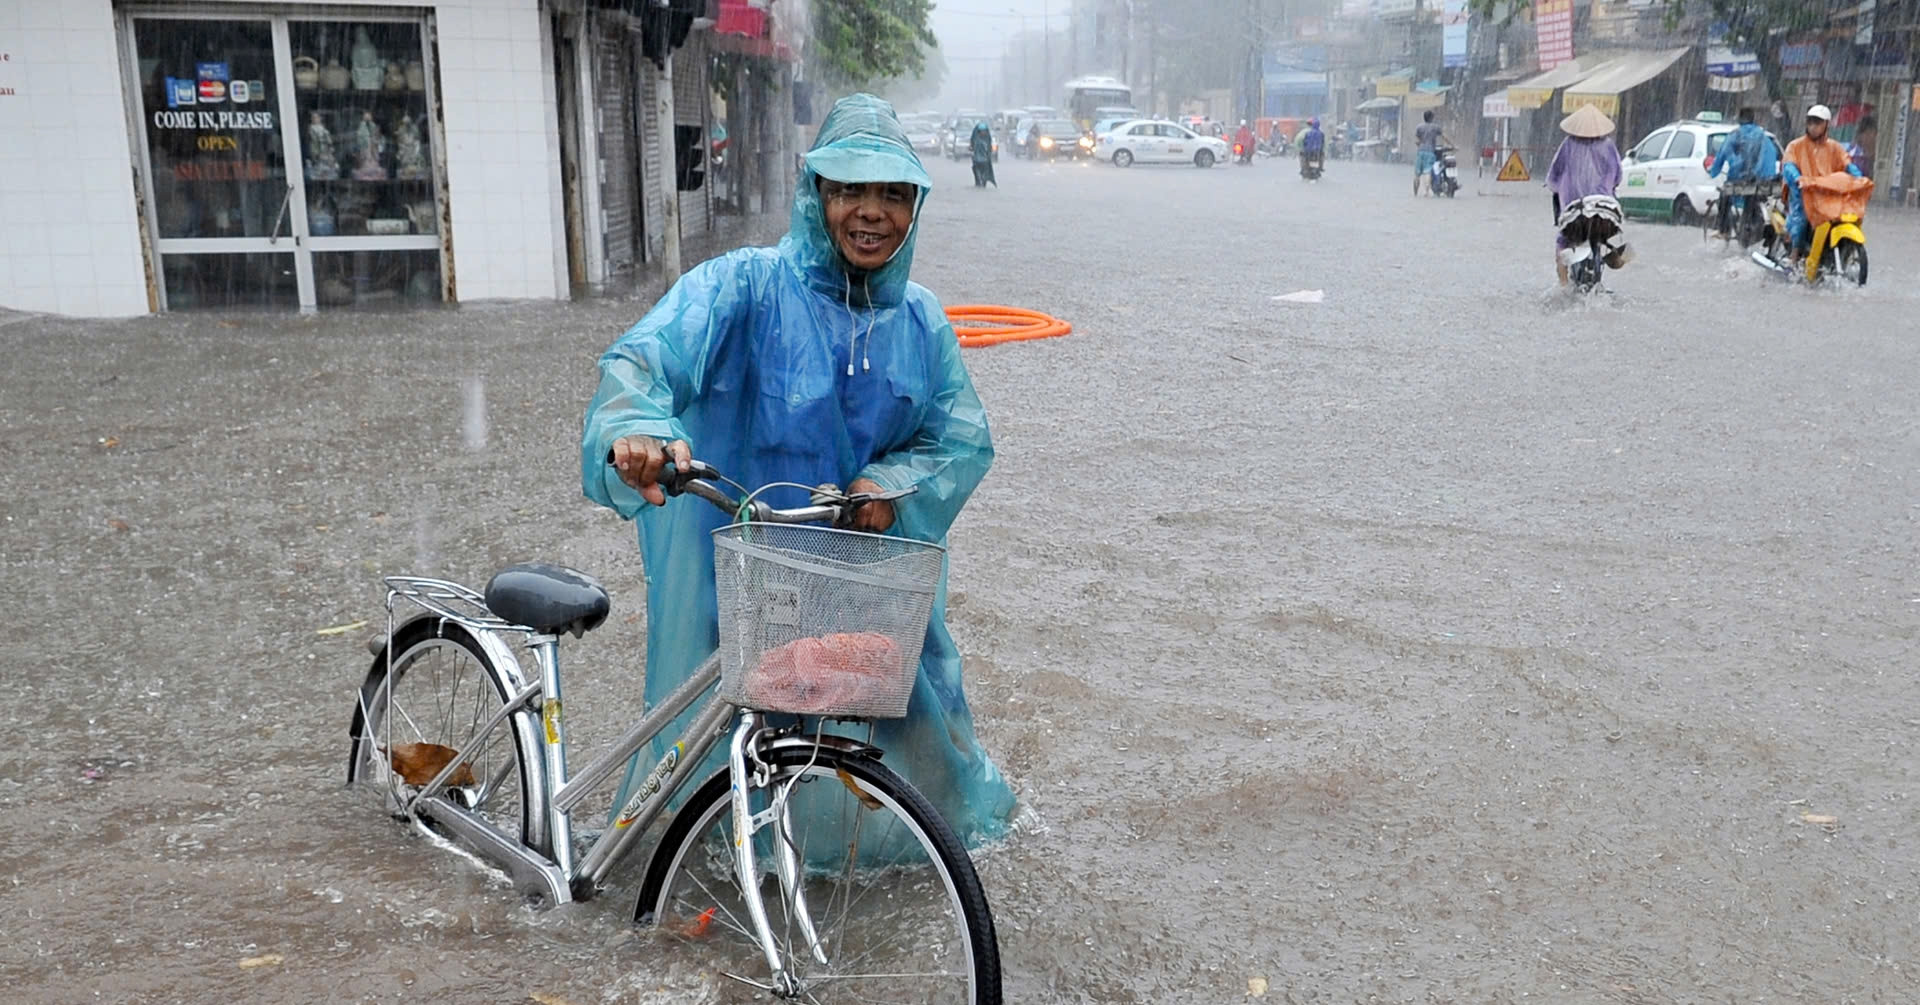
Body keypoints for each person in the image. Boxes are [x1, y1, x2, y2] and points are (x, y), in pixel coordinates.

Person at [579, 93, 1016, 845]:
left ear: (915, 208)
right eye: (850, 190)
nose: (871, 212)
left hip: (870, 587)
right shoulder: (744, 287)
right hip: (747, 581)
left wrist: (891, 485)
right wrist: (638, 429)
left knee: (923, 756)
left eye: (893, 194)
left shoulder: (923, 323)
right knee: (725, 758)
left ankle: (904, 866)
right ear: (816, 195)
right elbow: (646, 359)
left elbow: (960, 440)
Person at [1546, 103, 1629, 286]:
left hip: (1574, 209)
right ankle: (1608, 257)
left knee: (1562, 242)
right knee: (1608, 236)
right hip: (1603, 210)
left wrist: (1559, 187)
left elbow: (1553, 177)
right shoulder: (1608, 146)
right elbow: (1617, 177)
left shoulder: (1568, 145)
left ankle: (1563, 285)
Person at [1781, 104, 1863, 260]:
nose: (1813, 126)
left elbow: (1847, 164)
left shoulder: (1835, 147)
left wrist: (1859, 179)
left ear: (1826, 124)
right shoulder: (1796, 146)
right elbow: (1789, 165)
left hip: (1828, 195)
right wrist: (1798, 178)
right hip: (1804, 193)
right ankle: (1794, 254)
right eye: (1810, 122)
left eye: (1817, 123)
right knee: (1802, 218)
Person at [1707, 106, 1780, 237]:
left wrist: (1714, 171)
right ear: (1753, 119)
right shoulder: (1763, 136)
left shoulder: (1735, 135)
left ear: (1740, 119)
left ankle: (1723, 230)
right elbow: (1771, 157)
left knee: (1724, 195)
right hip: (1763, 181)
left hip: (1738, 180)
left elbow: (1723, 154)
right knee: (1754, 197)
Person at [1414, 110, 1447, 195]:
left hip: (1420, 151)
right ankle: (1426, 192)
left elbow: (1416, 140)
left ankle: (1415, 193)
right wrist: (1452, 145)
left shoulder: (1419, 127)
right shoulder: (1435, 127)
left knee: (1417, 174)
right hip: (1430, 152)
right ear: (1431, 118)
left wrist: (1420, 144)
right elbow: (1444, 137)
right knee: (1427, 172)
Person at [969, 119, 997, 188]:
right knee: (975, 168)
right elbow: (972, 146)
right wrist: (972, 148)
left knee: (986, 169)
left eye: (984, 131)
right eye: (981, 131)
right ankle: (978, 180)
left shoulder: (987, 139)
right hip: (977, 159)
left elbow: (989, 148)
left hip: (984, 159)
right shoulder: (975, 139)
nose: (983, 133)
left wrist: (989, 153)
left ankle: (984, 179)